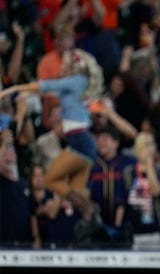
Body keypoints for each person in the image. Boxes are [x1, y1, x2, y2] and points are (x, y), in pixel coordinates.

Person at [0, 48, 104, 225]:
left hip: (80, 141)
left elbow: (45, 86)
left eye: (65, 63)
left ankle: (90, 209)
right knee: (76, 192)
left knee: (50, 179)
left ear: (73, 66)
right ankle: (92, 218)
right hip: (82, 142)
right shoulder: (75, 84)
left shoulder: (74, 81)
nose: (62, 66)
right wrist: (27, 94)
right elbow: (48, 92)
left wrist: (14, 89)